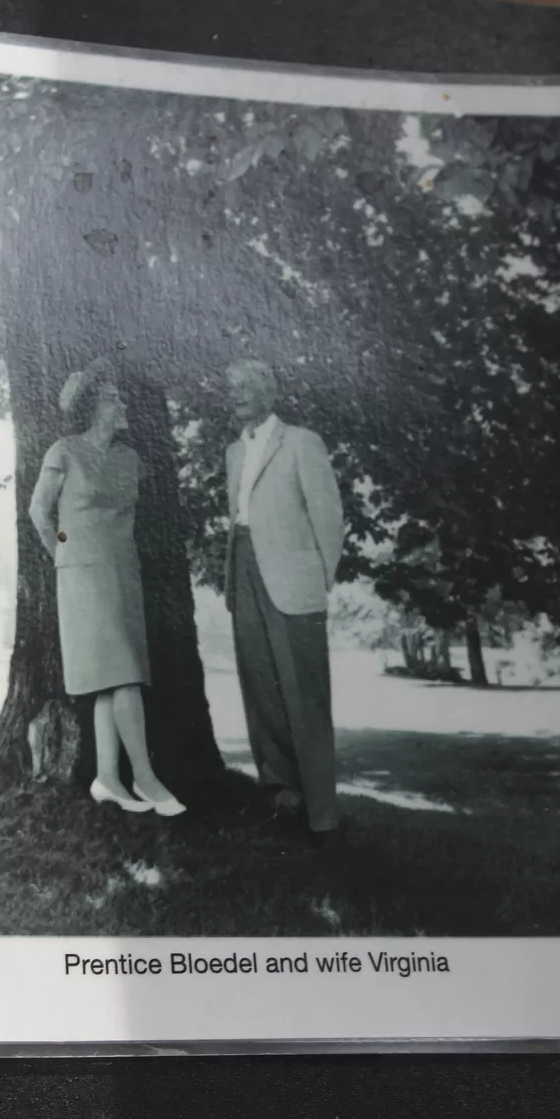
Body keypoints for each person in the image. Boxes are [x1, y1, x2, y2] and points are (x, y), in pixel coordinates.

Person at [29, 360, 186, 818]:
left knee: (112, 677)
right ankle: (145, 778)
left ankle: (108, 778)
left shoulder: (131, 460)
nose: (123, 406)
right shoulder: (64, 451)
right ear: (93, 407)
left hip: (123, 571)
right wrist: (65, 553)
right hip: (83, 573)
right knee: (124, 674)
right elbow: (39, 512)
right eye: (113, 399)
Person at [224, 359, 345, 843]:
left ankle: (323, 816)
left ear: (268, 392)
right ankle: (281, 797)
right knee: (260, 687)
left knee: (305, 694)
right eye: (231, 387)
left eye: (245, 387)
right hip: (244, 570)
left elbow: (328, 517)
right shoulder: (234, 451)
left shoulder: (301, 442)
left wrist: (318, 580)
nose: (236, 395)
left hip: (294, 582)